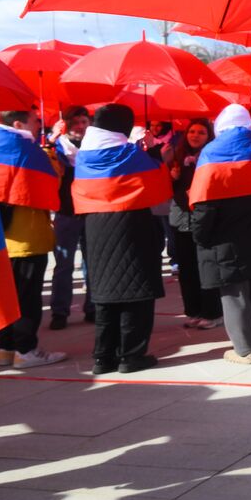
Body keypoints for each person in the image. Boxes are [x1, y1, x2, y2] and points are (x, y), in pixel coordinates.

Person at [191, 103, 251, 365]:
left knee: (235, 297)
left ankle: (245, 350)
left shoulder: (211, 152)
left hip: (227, 239)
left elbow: (203, 202)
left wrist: (199, 234)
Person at [75, 104, 171, 374]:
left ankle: (102, 357)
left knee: (104, 294)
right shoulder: (128, 153)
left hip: (95, 227)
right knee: (134, 292)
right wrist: (151, 150)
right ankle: (131, 356)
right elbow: (158, 184)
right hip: (130, 225)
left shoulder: (84, 155)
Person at [0, 109, 65, 368]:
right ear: (18, 123)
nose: (39, 125)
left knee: (5, 298)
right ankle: (26, 350)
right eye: (35, 121)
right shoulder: (28, 151)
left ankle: (6, 348)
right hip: (26, 239)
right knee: (27, 299)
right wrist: (49, 155)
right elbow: (52, 184)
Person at [167, 117, 224, 329]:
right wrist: (172, 177)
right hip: (182, 218)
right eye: (192, 131)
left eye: (201, 132)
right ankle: (193, 310)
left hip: (204, 218)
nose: (195, 135)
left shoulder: (213, 156)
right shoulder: (178, 156)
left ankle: (213, 312)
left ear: (209, 136)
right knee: (187, 268)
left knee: (206, 266)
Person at [48, 106, 95, 329]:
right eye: (75, 122)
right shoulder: (56, 146)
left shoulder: (95, 146)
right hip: (66, 212)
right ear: (66, 123)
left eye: (83, 122)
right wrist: (50, 141)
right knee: (63, 265)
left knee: (92, 263)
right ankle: (60, 312)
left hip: (91, 211)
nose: (79, 127)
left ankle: (93, 307)